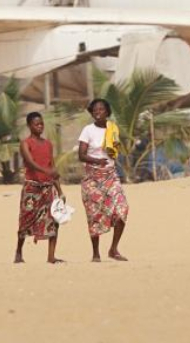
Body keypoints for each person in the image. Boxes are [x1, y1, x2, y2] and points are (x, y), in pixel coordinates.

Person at [77, 98, 129, 262]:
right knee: (94, 215)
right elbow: (81, 155)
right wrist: (96, 160)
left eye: (101, 109)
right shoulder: (87, 130)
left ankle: (113, 249)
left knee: (122, 209)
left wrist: (113, 152)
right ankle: (96, 253)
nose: (98, 112)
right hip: (92, 177)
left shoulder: (113, 128)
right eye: (95, 110)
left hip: (111, 176)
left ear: (107, 112)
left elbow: (115, 149)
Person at [15, 111, 63, 264]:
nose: (40, 126)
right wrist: (46, 171)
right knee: (25, 220)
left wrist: (60, 191)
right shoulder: (25, 143)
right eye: (37, 124)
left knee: (54, 219)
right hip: (32, 188)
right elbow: (30, 162)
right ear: (30, 126)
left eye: (41, 123)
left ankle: (51, 256)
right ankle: (19, 251)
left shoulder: (48, 144)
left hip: (48, 189)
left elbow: (52, 167)